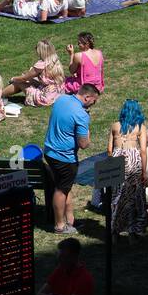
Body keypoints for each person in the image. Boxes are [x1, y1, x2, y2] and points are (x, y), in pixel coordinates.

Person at [44, 85, 100, 234]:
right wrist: (87, 130)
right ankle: (60, 225)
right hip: (64, 158)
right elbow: (84, 144)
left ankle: (70, 221)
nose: (93, 104)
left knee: (66, 187)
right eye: (93, 101)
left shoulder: (61, 99)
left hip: (49, 152)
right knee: (61, 190)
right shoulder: (81, 114)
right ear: (87, 97)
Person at [107, 99, 148, 240]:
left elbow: (109, 150)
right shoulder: (140, 126)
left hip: (117, 157)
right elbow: (143, 150)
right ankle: (133, 230)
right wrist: (144, 171)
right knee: (135, 196)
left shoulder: (115, 126)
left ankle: (114, 230)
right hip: (133, 159)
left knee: (117, 196)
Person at [4, 39, 64, 107]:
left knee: (19, 82)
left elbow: (24, 78)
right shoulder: (55, 60)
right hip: (57, 95)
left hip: (45, 98)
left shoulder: (41, 64)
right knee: (30, 81)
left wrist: (13, 78)